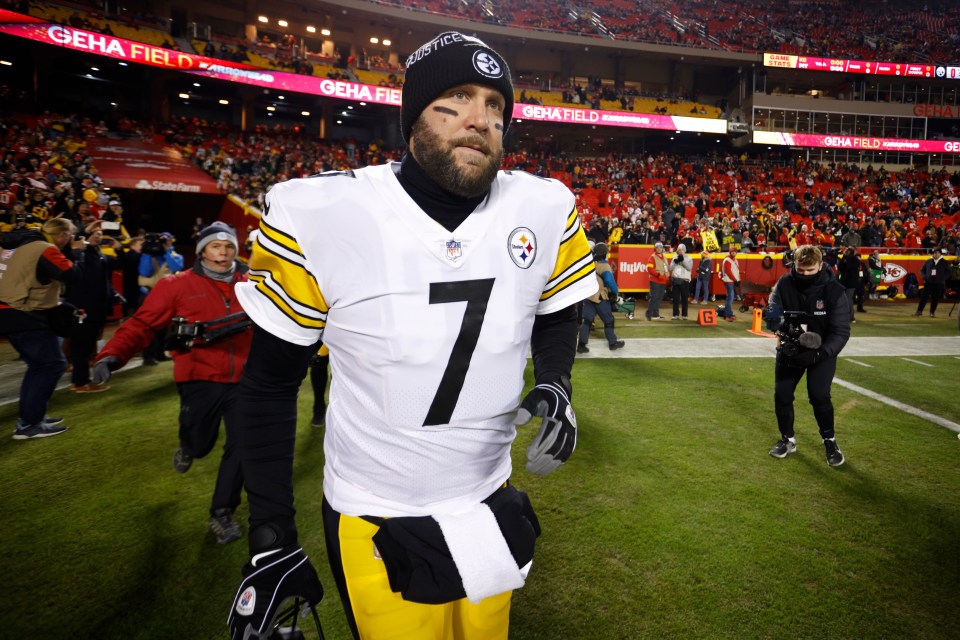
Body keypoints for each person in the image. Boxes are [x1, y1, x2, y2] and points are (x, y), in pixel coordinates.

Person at [227, 31, 598, 640]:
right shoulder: (320, 212)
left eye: (497, 107)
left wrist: (556, 381)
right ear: (413, 117)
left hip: (488, 497)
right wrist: (271, 537)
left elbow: (557, 309)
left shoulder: (544, 206)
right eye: (457, 97)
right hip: (377, 510)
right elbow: (267, 387)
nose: (481, 119)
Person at [91, 222, 252, 544]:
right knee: (201, 442)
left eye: (229, 246)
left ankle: (222, 512)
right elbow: (142, 323)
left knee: (243, 446)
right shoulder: (176, 285)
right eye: (216, 246)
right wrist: (111, 355)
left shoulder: (254, 283)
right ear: (203, 250)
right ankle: (189, 444)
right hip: (199, 378)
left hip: (246, 381)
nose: (223, 253)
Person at [0, 218, 85, 439]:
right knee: (52, 364)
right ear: (62, 234)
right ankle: (29, 424)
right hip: (24, 312)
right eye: (70, 235)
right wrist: (75, 253)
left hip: (10, 311)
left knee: (38, 366)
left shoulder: (19, 244)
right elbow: (73, 275)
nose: (70, 240)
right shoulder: (44, 248)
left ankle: (30, 418)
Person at [767, 245, 851, 467]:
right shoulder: (784, 283)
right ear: (794, 264)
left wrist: (820, 354)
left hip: (821, 352)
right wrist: (785, 329)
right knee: (782, 395)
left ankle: (830, 441)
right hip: (791, 348)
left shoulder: (834, 291)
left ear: (820, 266)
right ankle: (788, 440)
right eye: (800, 269)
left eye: (810, 270)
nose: (804, 274)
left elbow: (841, 331)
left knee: (819, 396)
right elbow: (772, 313)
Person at [578, 242, 625, 352]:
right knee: (609, 321)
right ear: (603, 254)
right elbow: (609, 281)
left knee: (587, 321)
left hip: (588, 296)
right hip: (600, 297)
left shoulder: (589, 264)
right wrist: (616, 292)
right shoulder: (605, 266)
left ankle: (581, 345)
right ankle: (613, 343)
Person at [914, 248, 950, 318]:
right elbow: (922, 270)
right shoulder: (928, 261)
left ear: (940, 254)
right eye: (935, 253)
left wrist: (943, 278)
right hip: (928, 282)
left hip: (938, 283)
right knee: (924, 298)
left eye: (937, 253)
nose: (936, 254)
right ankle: (919, 311)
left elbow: (948, 272)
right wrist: (925, 277)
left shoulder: (944, 262)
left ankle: (932, 312)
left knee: (935, 298)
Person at [837, 246, 861, 323]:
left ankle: (851, 317)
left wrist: (846, 258)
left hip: (851, 283)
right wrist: (844, 257)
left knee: (848, 299)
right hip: (844, 282)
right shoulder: (845, 259)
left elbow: (850, 267)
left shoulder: (854, 259)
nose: (845, 252)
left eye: (847, 251)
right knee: (843, 300)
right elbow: (840, 267)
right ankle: (844, 316)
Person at [645, 241, 668, 320]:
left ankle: (655, 314)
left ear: (662, 248)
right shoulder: (652, 257)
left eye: (660, 247)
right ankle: (648, 314)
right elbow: (650, 269)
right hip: (655, 281)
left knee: (659, 298)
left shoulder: (664, 257)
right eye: (657, 247)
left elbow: (666, 268)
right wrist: (658, 275)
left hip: (662, 281)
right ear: (655, 248)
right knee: (654, 298)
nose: (659, 249)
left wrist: (667, 276)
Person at [669, 244, 693, 320]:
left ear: (685, 250)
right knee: (675, 299)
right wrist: (675, 262)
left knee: (684, 298)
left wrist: (683, 260)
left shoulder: (689, 258)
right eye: (679, 249)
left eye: (682, 249)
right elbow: (670, 268)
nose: (680, 251)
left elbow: (689, 268)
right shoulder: (674, 257)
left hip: (685, 280)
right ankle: (675, 314)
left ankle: (684, 315)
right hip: (676, 280)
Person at [309, 343, 329, 428]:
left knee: (342, 368)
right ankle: (319, 408)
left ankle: (340, 410)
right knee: (318, 363)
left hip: (346, 333)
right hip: (322, 332)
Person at [720, 245, 740, 322]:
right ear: (730, 252)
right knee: (730, 298)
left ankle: (729, 313)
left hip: (732, 281)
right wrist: (736, 280)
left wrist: (738, 279)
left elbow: (736, 271)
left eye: (735, 252)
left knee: (730, 298)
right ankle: (727, 315)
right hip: (729, 281)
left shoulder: (734, 260)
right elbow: (728, 272)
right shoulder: (728, 260)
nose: (734, 253)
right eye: (732, 252)